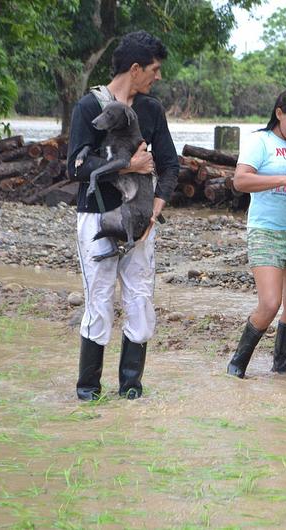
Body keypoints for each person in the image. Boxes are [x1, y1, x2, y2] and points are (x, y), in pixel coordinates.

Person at [68, 30, 179, 400]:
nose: (158, 77)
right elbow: (76, 166)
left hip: (140, 223)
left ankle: (131, 388)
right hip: (96, 217)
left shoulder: (151, 110)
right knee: (99, 300)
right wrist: (128, 166)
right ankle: (87, 390)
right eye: (155, 69)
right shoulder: (89, 107)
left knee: (140, 299)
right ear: (135, 69)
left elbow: (169, 165)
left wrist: (154, 212)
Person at [226, 88, 286, 379]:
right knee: (270, 303)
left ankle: (281, 371)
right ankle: (237, 365)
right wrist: (284, 179)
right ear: (279, 113)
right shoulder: (259, 141)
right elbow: (240, 180)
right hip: (266, 230)